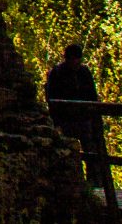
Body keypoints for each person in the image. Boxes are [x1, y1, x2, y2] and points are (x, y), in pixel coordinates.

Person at [43, 42, 108, 187]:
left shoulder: (83, 73)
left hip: (83, 118)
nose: (75, 63)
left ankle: (95, 182)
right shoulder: (57, 73)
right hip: (67, 120)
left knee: (91, 149)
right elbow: (52, 99)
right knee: (70, 152)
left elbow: (91, 95)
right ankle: (76, 182)